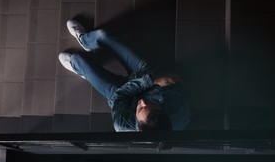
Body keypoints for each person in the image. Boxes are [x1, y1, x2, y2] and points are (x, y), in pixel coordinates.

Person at [58, 20, 190, 132]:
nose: (143, 101)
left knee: (78, 60)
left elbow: (119, 97)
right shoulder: (178, 110)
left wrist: (150, 81)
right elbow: (176, 81)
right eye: (150, 103)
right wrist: (169, 80)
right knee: (102, 35)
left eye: (141, 109)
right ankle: (85, 41)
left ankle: (79, 67)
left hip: (123, 93)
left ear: (138, 126)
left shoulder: (122, 124)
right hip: (145, 71)